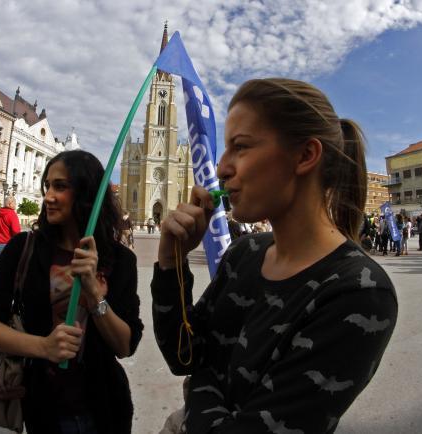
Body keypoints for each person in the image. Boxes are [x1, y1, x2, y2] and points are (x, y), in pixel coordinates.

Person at [151, 78, 397, 433]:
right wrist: (171, 264)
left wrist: (198, 389)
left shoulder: (359, 293)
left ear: (305, 156)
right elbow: (183, 355)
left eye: (241, 147)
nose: (221, 168)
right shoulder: (245, 253)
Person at [0, 150, 144, 433]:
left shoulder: (121, 260)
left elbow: (124, 346)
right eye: (47, 186)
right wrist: (43, 347)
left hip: (105, 411)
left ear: (87, 193)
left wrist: (94, 294)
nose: (49, 195)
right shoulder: (24, 248)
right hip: (44, 410)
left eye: (60, 186)